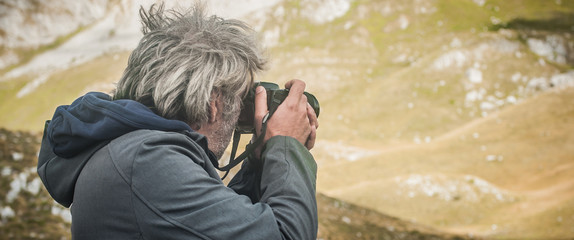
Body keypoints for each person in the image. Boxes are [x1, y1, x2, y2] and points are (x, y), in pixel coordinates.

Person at [37, 3, 319, 240]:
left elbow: (223, 225)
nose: (237, 117)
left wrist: (259, 161)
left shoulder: (131, 153)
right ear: (213, 103)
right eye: (238, 100)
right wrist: (286, 144)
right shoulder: (146, 160)